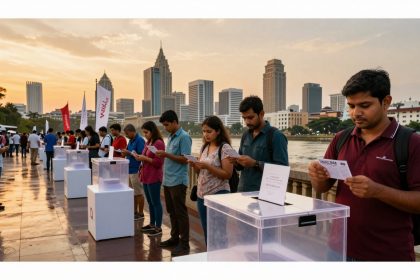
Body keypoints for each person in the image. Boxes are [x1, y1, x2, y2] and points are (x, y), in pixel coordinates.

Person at [308, 69, 420, 261]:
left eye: (364, 105)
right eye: (351, 106)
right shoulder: (341, 139)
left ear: (386, 102)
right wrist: (317, 177)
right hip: (338, 248)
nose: (355, 113)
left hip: (387, 255)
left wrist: (377, 191)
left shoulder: (410, 142)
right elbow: (322, 187)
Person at [189, 116, 233, 245]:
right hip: (202, 195)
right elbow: (201, 173)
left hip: (218, 194)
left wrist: (208, 166)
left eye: (209, 131)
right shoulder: (204, 147)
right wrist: (195, 166)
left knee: (219, 233)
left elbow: (227, 174)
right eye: (204, 131)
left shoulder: (225, 148)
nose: (206, 134)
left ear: (218, 131)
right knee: (207, 232)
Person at [230, 95, 288, 192]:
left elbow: (282, 170)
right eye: (244, 118)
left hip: (264, 194)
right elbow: (241, 167)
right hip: (242, 192)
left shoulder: (276, 136)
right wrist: (235, 162)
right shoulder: (245, 135)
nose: (247, 122)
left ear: (261, 114)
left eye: (250, 117)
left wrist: (255, 163)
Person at [155, 110, 192, 257]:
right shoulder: (171, 137)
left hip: (178, 181)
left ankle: (184, 243)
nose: (165, 128)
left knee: (181, 213)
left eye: (167, 125)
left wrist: (165, 154)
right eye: (164, 125)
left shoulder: (184, 137)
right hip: (168, 180)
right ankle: (175, 237)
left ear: (175, 122)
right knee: (171, 212)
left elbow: (185, 159)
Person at [133, 121, 165, 237]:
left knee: (156, 202)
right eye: (143, 132)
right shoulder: (148, 142)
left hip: (154, 177)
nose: (145, 134)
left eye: (146, 132)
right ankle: (152, 224)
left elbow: (158, 163)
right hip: (145, 176)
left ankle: (158, 227)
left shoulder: (159, 143)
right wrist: (139, 157)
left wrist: (145, 158)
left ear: (152, 131)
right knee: (150, 202)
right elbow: (145, 157)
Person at [122, 124, 146, 221]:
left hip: (136, 169)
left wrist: (129, 153)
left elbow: (141, 155)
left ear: (132, 131)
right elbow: (129, 151)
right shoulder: (131, 140)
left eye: (127, 134)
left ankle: (141, 212)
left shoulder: (139, 140)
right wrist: (125, 152)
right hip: (129, 168)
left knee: (139, 192)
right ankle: (134, 211)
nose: (126, 136)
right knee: (133, 192)